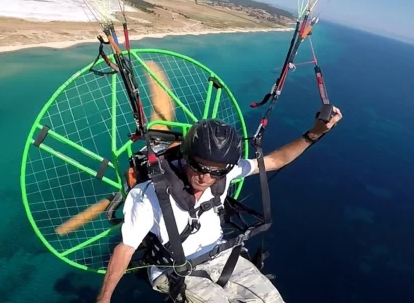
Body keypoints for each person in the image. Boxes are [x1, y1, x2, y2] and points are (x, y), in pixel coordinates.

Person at [95, 61, 343, 303]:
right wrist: (104, 298)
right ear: (185, 156)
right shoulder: (150, 194)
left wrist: (315, 133)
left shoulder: (227, 172)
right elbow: (125, 249)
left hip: (222, 256)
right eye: (199, 167)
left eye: (216, 172)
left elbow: (275, 160)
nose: (205, 177)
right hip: (174, 270)